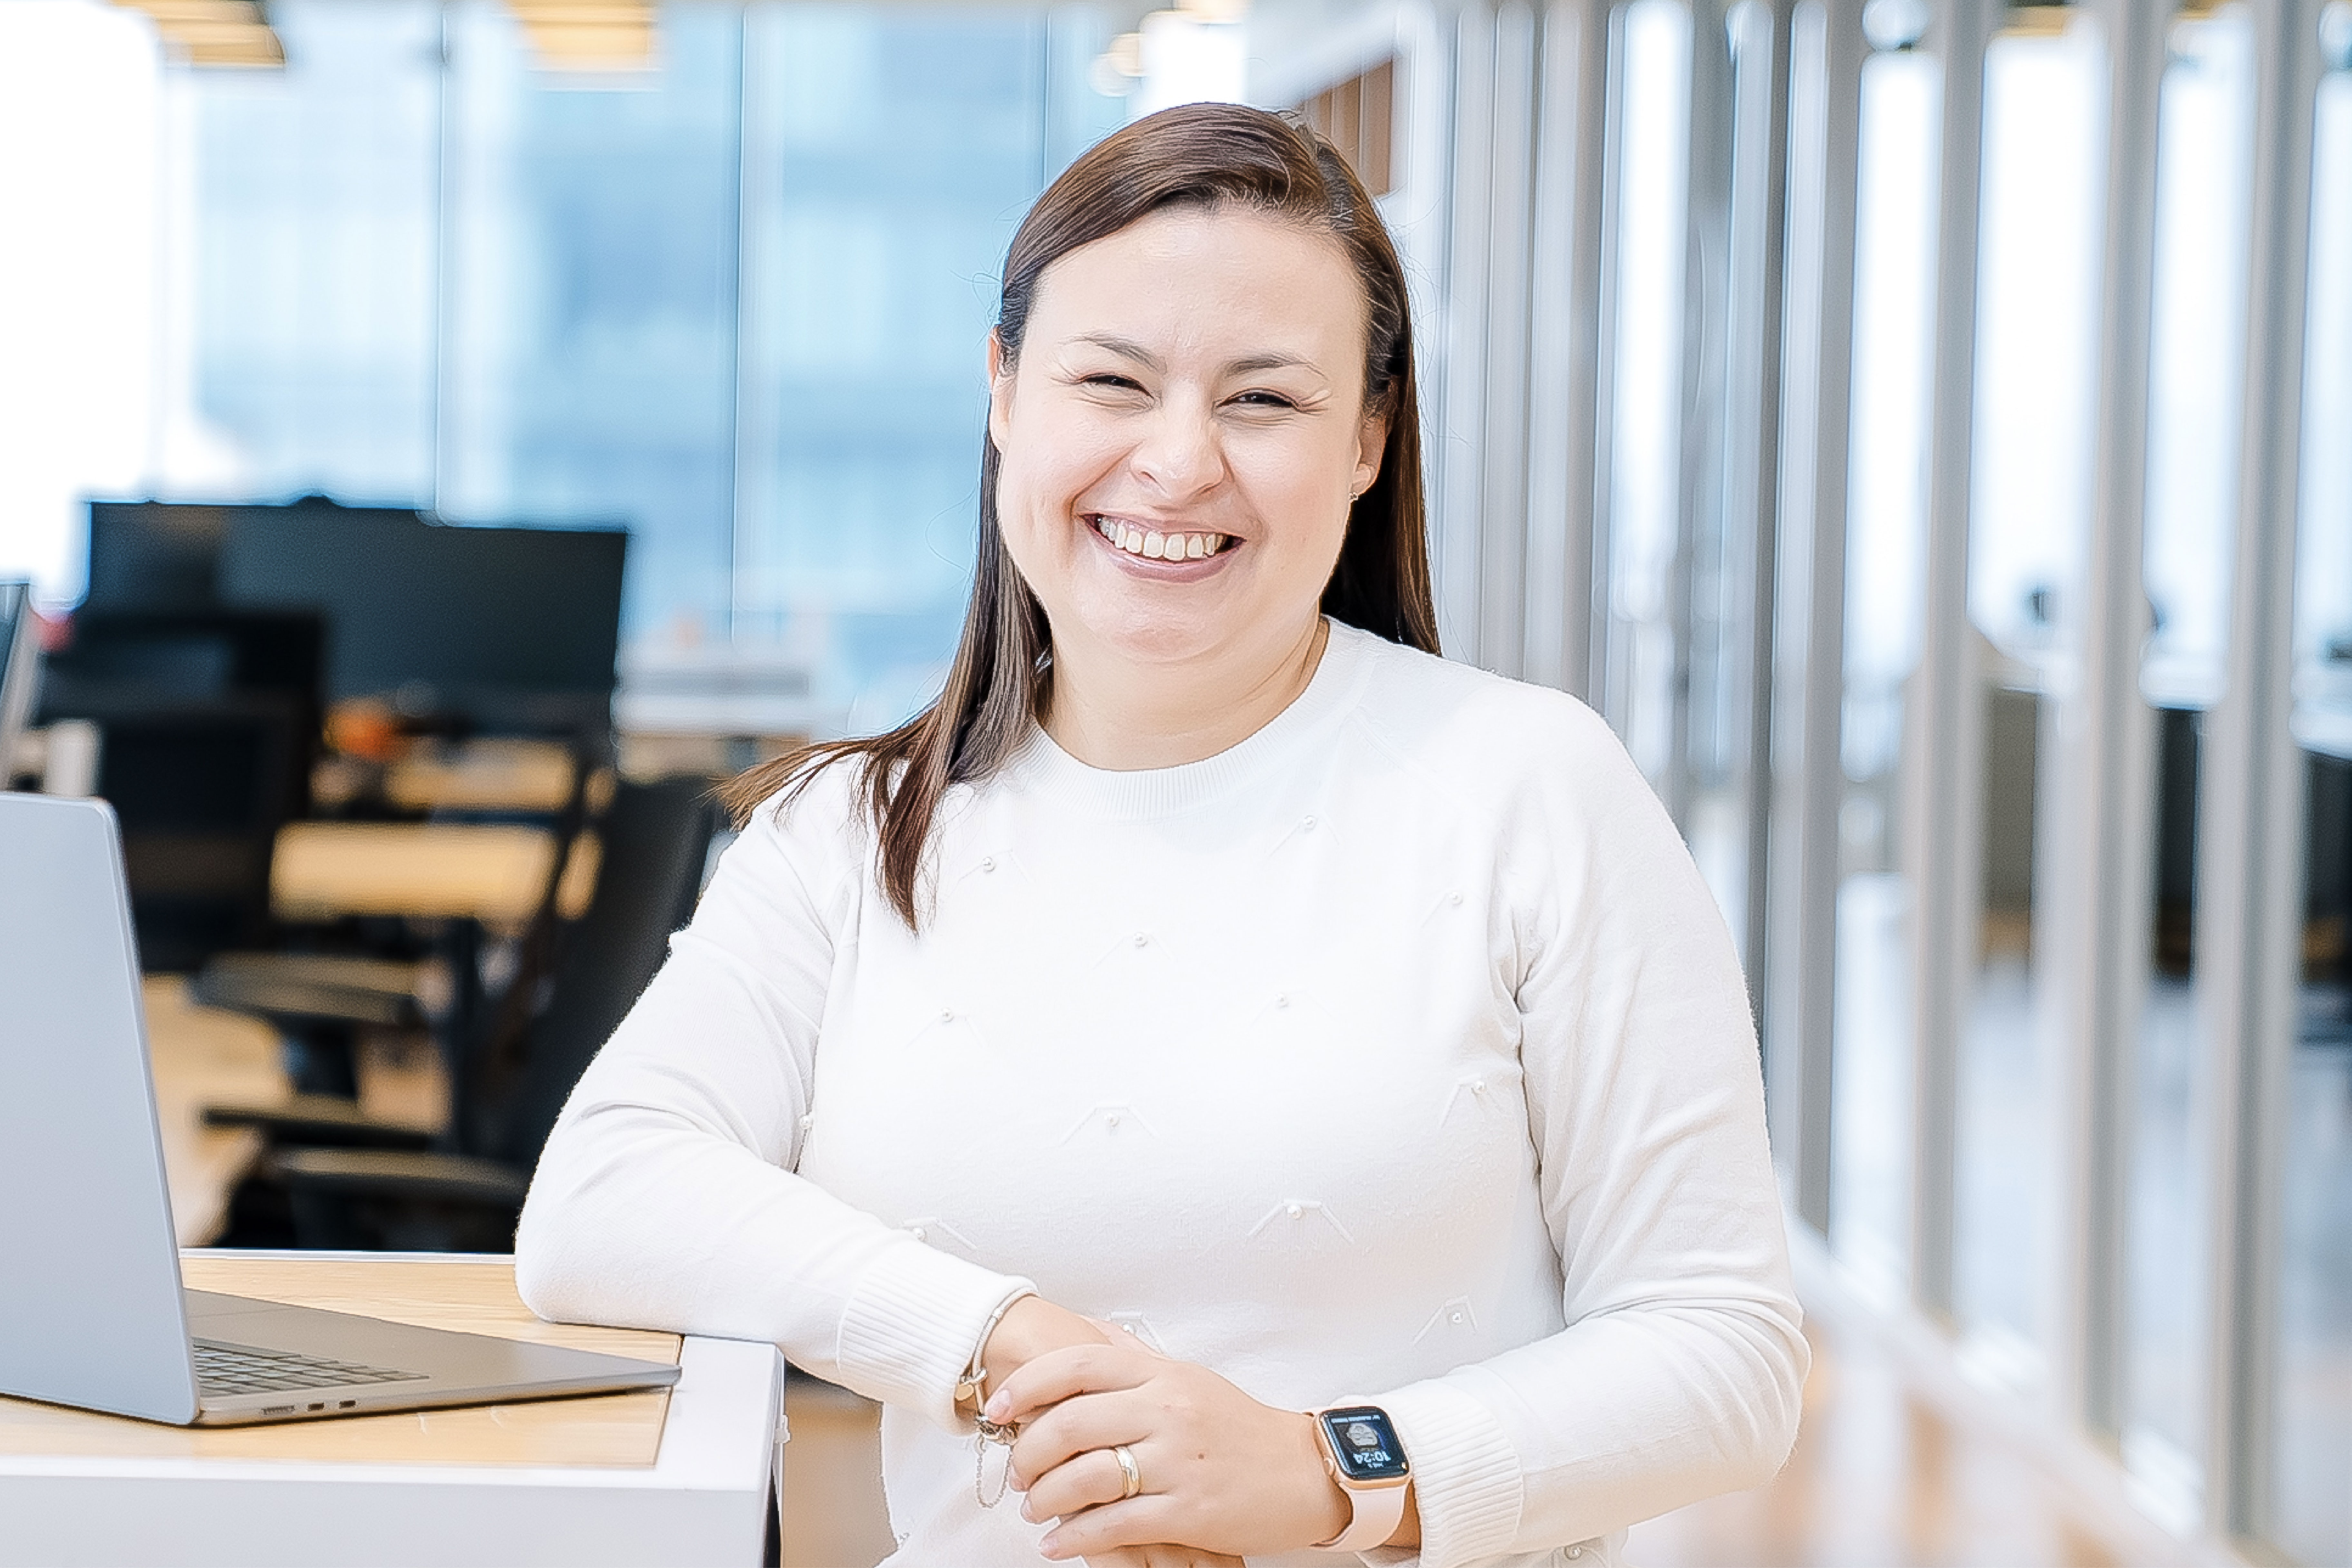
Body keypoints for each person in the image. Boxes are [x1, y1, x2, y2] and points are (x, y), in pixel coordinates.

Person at [517, 102, 1806, 1568]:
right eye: (1112, 382)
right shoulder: (852, 829)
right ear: (1004, 393)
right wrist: (996, 1335)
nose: (1178, 464)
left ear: (1369, 439)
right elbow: (601, 1194)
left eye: (1264, 400)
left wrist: (1332, 1469)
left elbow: (1722, 1349)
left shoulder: (1527, 783)